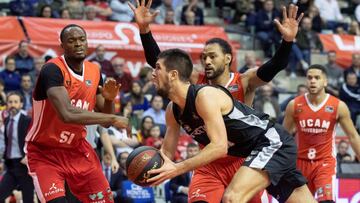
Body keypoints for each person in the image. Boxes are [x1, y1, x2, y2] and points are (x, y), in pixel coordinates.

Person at [129, 1, 303, 202]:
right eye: (204, 58)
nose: (207, 61)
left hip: (244, 156)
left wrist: (287, 42)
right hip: (209, 161)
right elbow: (164, 66)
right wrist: (144, 31)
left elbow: (273, 67)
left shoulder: (243, 81)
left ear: (228, 58)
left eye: (212, 56)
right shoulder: (196, 83)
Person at [138, 47, 315, 203]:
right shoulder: (172, 110)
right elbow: (166, 153)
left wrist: (177, 168)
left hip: (271, 142)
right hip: (254, 151)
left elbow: (219, 147)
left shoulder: (204, 96)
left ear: (173, 74)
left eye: (158, 68)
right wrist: (147, 170)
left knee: (232, 198)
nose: (152, 73)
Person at [25, 24, 129, 203]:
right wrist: (113, 117)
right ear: (62, 46)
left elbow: (105, 122)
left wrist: (110, 100)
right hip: (45, 151)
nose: (78, 44)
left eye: (82, 39)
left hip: (78, 149)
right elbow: (67, 114)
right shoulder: (52, 69)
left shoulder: (95, 71)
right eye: (72, 41)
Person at [283, 64, 360, 202]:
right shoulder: (294, 105)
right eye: (309, 78)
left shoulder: (338, 106)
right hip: (299, 163)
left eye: (317, 78)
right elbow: (284, 137)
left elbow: (353, 136)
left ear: (325, 81)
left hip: (325, 163)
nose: (312, 81)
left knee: (326, 200)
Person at [0, 92, 34, 202]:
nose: (13, 104)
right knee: (1, 193)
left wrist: (28, 155)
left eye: (16, 102)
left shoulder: (27, 120)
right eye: (10, 102)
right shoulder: (7, 120)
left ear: (21, 104)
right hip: (11, 165)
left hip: (24, 165)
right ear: (7, 104)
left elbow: (34, 140)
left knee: (28, 198)